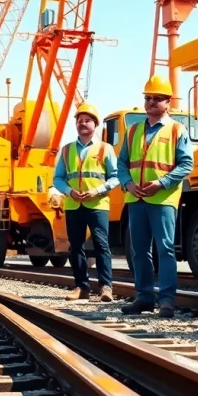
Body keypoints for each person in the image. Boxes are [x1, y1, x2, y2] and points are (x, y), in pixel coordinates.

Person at [116, 75, 194, 316]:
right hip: (136, 199)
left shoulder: (177, 129)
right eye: (148, 98)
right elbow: (121, 164)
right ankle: (144, 297)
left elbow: (186, 164)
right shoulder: (133, 131)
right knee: (139, 251)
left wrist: (161, 183)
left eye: (157, 98)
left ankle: (167, 300)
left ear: (168, 102)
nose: (151, 102)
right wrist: (127, 183)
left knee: (165, 249)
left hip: (162, 199)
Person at [53, 103, 119, 302]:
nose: (83, 124)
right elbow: (57, 179)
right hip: (74, 205)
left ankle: (106, 288)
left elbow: (115, 177)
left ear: (95, 124)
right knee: (76, 246)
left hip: (97, 205)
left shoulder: (105, 149)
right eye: (79, 121)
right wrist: (69, 191)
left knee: (101, 245)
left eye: (87, 120)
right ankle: (81, 287)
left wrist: (96, 191)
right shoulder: (66, 150)